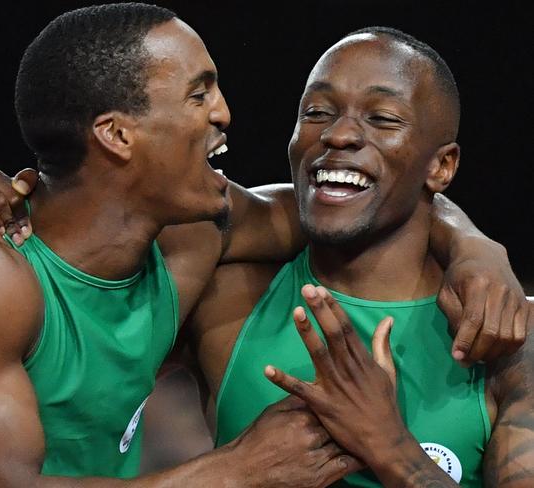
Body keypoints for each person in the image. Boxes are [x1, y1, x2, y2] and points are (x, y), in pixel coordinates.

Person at [0, 3, 526, 486]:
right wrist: (235, 470)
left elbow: (361, 201)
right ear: (116, 135)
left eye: (383, 118)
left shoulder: (189, 249)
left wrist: (475, 246)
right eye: (199, 93)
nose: (224, 113)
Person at [185, 27, 534, 486]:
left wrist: (387, 444)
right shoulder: (226, 295)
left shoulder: (508, 339)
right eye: (317, 111)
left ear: (441, 166)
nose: (339, 134)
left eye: (383, 118)